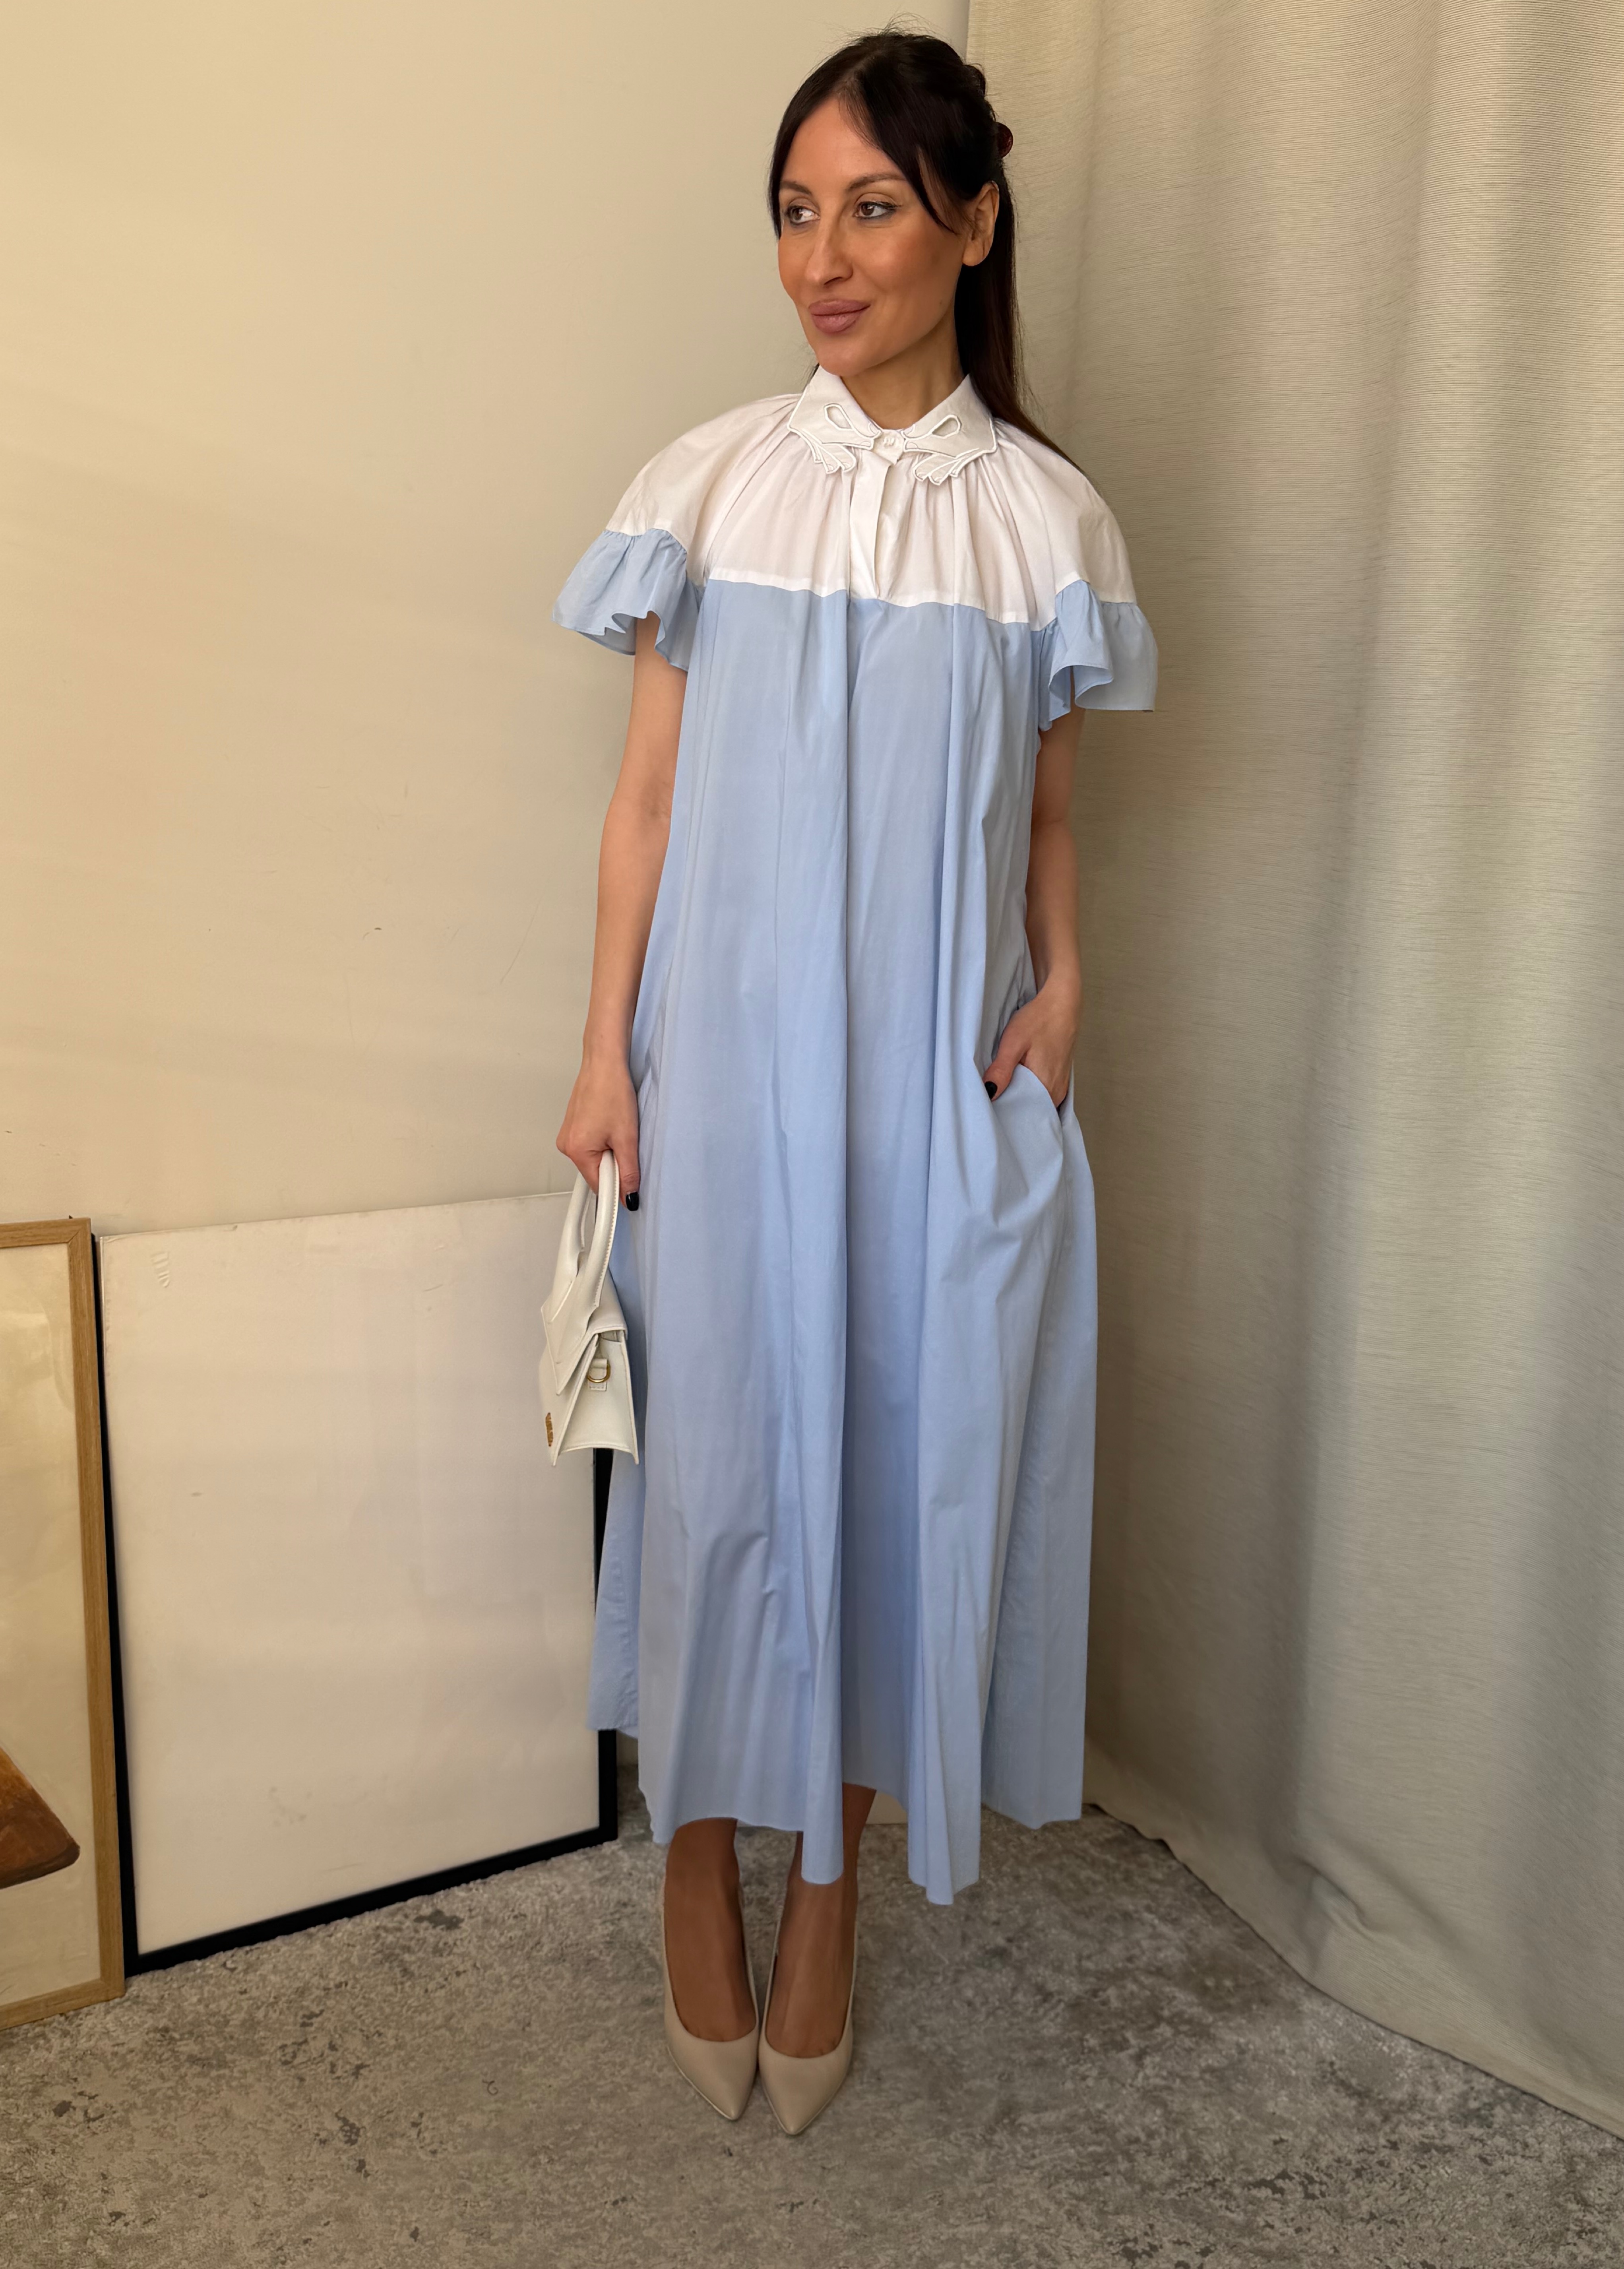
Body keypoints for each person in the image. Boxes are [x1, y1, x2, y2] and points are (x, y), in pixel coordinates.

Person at [551, 27, 1156, 2134]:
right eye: (796, 211)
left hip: (934, 1088)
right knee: (723, 1472)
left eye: (872, 207)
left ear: (973, 225)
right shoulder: (707, 487)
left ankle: (831, 1890)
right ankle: (696, 1862)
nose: (822, 255)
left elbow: (1047, 815)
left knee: (905, 1474)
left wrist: (1065, 993)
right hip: (722, 1080)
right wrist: (604, 1057)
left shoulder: (1049, 523)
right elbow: (647, 803)